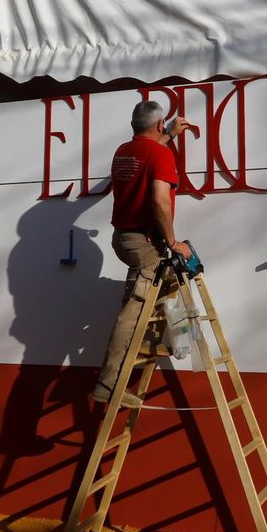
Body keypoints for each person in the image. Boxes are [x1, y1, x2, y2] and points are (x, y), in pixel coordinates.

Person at [93, 100, 192, 406]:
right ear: (160, 124)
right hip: (143, 242)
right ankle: (108, 386)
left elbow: (146, 154)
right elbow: (161, 202)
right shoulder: (160, 155)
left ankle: (135, 354)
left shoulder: (124, 151)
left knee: (144, 297)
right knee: (132, 311)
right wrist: (174, 242)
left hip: (124, 238)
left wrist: (169, 136)